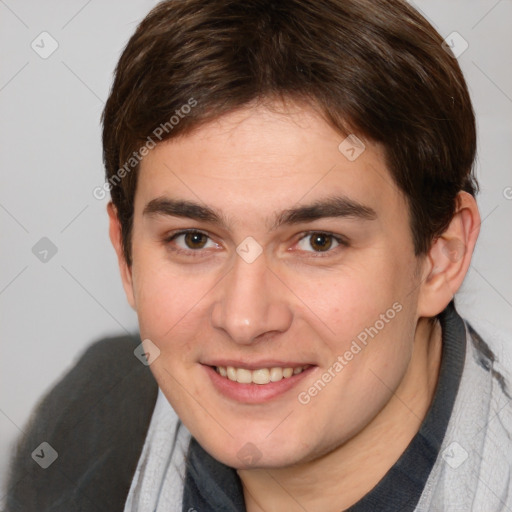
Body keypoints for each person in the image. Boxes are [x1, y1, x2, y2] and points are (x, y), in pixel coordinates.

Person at [5, 0, 512, 510]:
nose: (245, 320)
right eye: (194, 239)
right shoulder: (93, 421)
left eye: (319, 241)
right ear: (126, 256)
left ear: (441, 257)